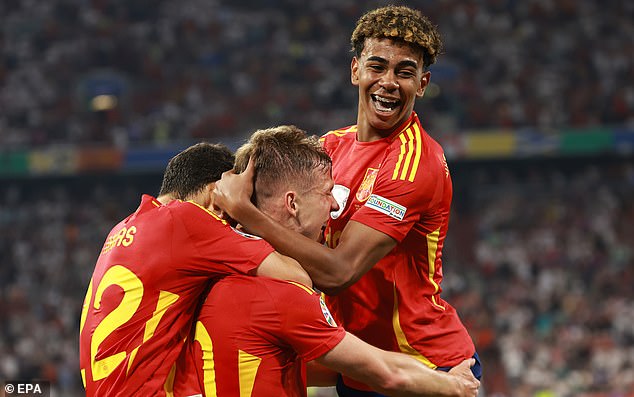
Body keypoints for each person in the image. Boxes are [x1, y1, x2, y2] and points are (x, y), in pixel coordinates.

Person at [212, 5, 480, 396]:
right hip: (362, 366)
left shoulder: (414, 163)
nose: (389, 82)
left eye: (404, 72)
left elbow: (339, 272)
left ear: (422, 84)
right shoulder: (329, 147)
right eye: (378, 66)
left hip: (424, 367)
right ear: (355, 70)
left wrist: (245, 213)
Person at [173, 125, 479, 397]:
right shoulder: (286, 292)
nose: (335, 206)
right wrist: (453, 385)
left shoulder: (209, 269)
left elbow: (294, 361)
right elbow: (385, 374)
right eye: (328, 192)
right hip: (427, 370)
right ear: (292, 203)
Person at [79, 142, 309, 396]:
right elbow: (297, 278)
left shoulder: (122, 228)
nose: (230, 222)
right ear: (215, 193)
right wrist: (244, 210)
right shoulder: (187, 219)